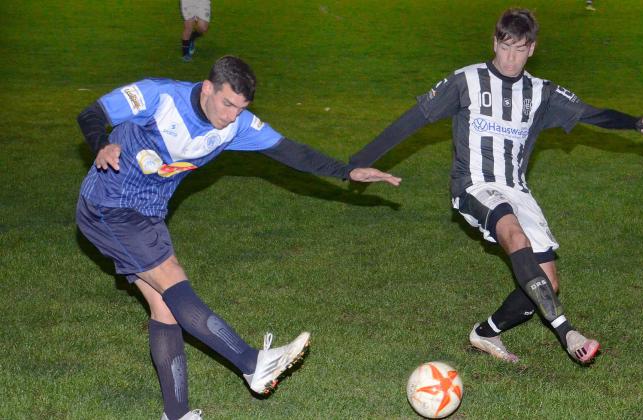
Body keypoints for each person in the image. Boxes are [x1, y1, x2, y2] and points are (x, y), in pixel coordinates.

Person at [76, 55, 401, 420]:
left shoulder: (236, 125)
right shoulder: (159, 96)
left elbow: (291, 152)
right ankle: (251, 363)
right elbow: (91, 113)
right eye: (227, 103)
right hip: (109, 205)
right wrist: (100, 145)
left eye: (240, 108)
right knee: (172, 279)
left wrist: (347, 171)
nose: (231, 115)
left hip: (149, 214)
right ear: (209, 87)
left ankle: (176, 414)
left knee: (165, 307)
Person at [350, 8, 643, 366]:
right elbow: (413, 120)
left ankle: (486, 331)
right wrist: (358, 161)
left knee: (546, 283)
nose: (510, 58)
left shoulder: (542, 92)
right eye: (505, 47)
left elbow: (591, 114)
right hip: (474, 185)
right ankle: (568, 332)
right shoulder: (467, 81)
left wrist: (635, 122)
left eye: (520, 49)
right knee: (514, 234)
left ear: (532, 49)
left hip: (516, 188)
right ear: (494, 42)